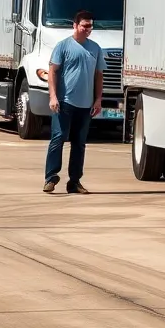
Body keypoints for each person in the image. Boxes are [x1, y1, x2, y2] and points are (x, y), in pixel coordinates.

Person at [43, 10, 106, 194]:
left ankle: (74, 181)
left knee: (79, 143)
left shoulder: (95, 48)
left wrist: (98, 100)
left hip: (85, 105)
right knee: (58, 138)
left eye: (90, 26)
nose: (88, 29)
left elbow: (99, 75)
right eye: (84, 26)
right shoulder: (63, 46)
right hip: (64, 103)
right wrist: (53, 97)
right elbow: (53, 72)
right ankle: (51, 177)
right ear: (75, 25)